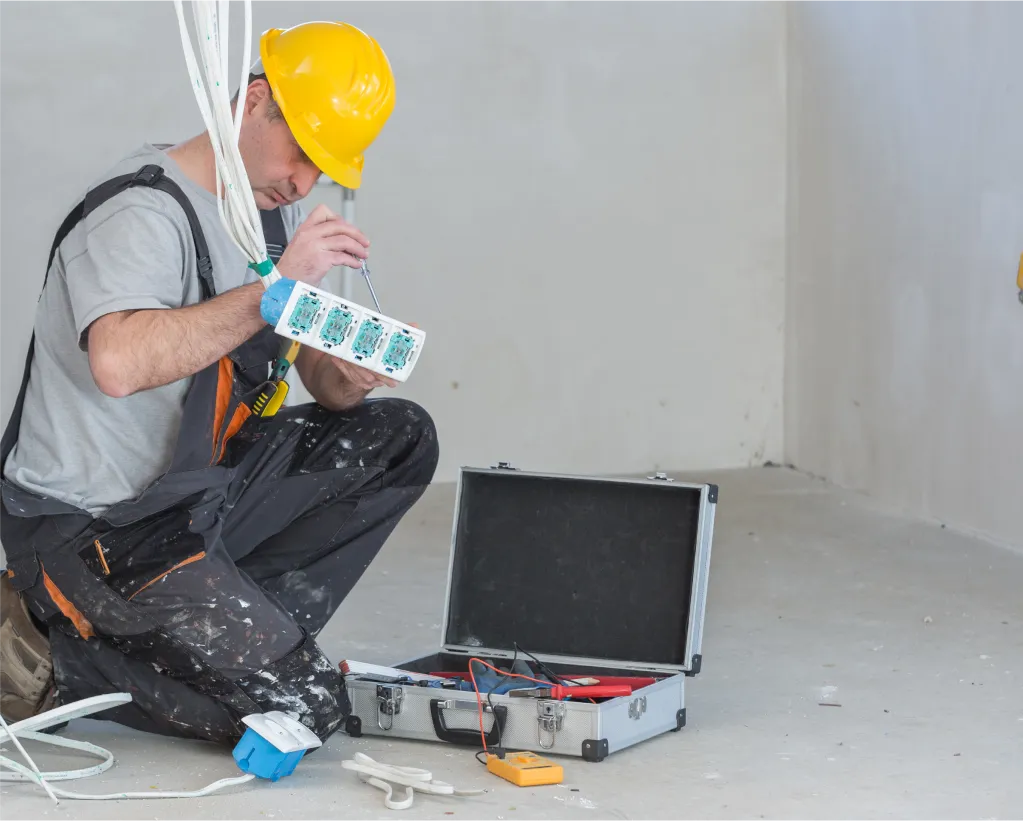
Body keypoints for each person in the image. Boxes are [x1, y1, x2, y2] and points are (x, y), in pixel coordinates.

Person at [0, 21, 437, 745]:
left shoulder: (268, 216)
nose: (303, 183)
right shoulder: (139, 212)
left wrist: (349, 373)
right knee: (298, 711)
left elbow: (319, 383)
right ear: (254, 100)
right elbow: (118, 363)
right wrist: (272, 293)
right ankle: (51, 658)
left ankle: (227, 639)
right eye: (302, 152)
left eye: (322, 169)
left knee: (400, 437)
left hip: (197, 498)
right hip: (102, 530)